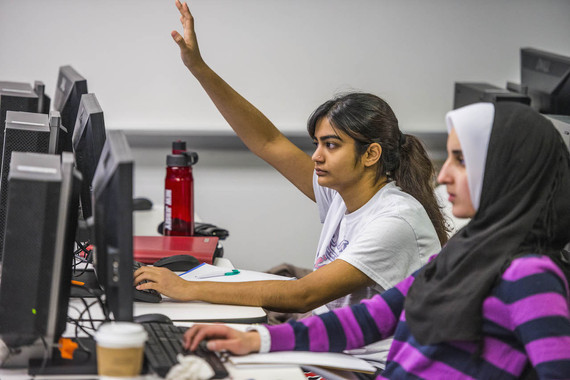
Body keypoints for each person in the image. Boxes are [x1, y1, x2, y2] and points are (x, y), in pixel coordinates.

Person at [183, 102, 570, 379]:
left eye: (462, 160)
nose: (445, 175)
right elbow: (367, 320)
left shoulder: (530, 275)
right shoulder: (468, 252)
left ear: (510, 171)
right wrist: (257, 340)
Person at [134, 0, 447, 316]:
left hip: (368, 364)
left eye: (332, 145)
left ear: (371, 154)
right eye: (317, 144)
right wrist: (197, 67)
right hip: (335, 348)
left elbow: (304, 295)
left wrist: (187, 288)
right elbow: (268, 142)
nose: (316, 156)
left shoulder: (394, 220)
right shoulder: (344, 193)